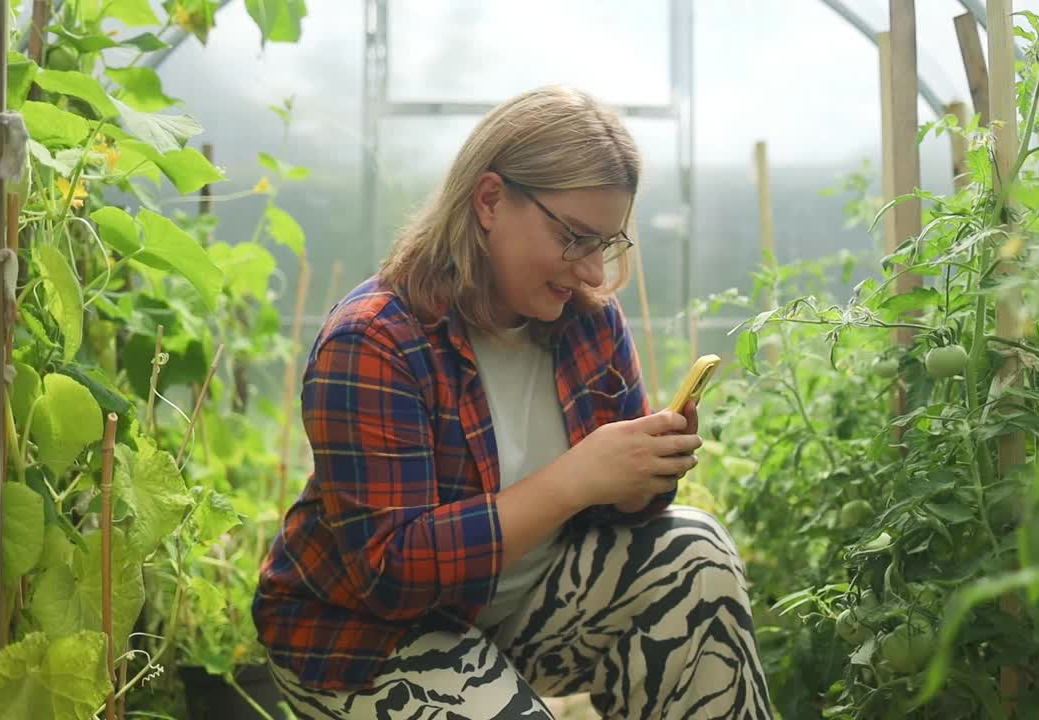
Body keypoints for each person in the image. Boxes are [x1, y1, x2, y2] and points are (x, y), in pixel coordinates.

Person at [253, 85, 773, 719]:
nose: (591, 272)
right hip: (363, 638)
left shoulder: (588, 325)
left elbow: (626, 513)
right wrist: (575, 478)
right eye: (575, 238)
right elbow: (391, 574)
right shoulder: (377, 339)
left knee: (696, 552)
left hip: (519, 620)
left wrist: (642, 475)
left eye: (606, 244)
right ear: (490, 200)